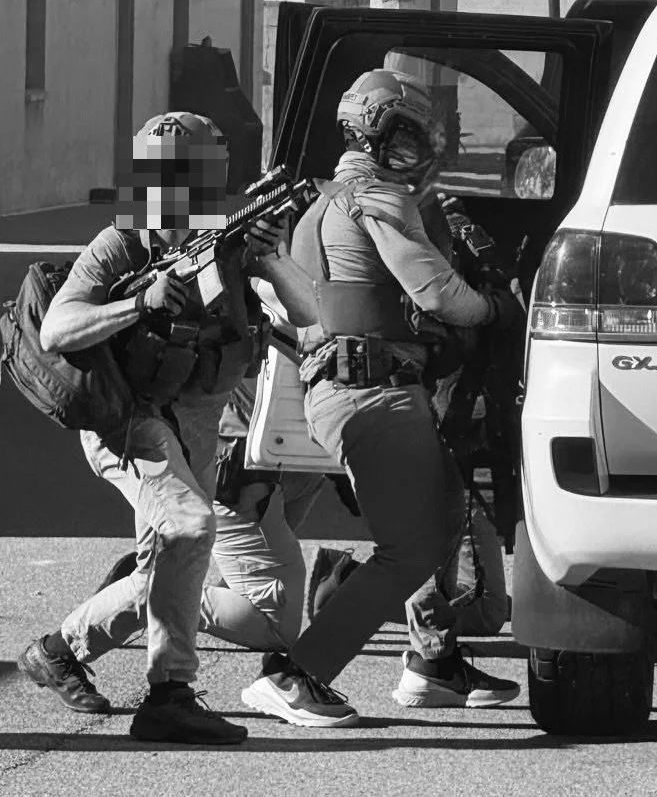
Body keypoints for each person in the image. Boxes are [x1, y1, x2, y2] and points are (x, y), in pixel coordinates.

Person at [18, 112, 318, 745]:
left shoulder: (229, 234)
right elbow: (56, 329)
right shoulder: (121, 242)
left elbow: (310, 313)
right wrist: (139, 302)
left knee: (168, 561)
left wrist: (273, 256)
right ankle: (170, 694)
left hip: (199, 423)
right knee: (191, 528)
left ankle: (57, 651)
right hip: (130, 422)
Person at [239, 68, 521, 728]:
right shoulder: (377, 197)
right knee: (413, 546)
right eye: (404, 135)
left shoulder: (321, 201)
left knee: (439, 522)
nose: (416, 150)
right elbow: (437, 294)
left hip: (353, 388)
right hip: (374, 390)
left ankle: (431, 664)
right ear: (369, 134)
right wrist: (498, 309)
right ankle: (295, 675)